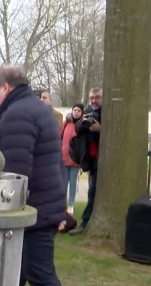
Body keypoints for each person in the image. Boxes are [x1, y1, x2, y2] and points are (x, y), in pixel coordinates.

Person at [0, 65, 82, 286]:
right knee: (14, 274)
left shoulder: (18, 114)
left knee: (41, 275)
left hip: (33, 213)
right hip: (39, 206)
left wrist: (5, 211)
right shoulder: (32, 108)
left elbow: (15, 172)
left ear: (6, 87)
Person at [68, 87, 102, 235]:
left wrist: (101, 129)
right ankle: (87, 221)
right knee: (92, 190)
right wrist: (83, 123)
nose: (94, 100)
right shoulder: (88, 111)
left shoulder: (108, 113)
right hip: (91, 158)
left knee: (94, 190)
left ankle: (85, 222)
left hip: (103, 158)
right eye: (92, 97)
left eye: (97, 97)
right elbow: (76, 128)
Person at [60, 104, 84, 214]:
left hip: (76, 159)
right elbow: (60, 137)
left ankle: (71, 205)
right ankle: (61, 204)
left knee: (73, 183)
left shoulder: (82, 124)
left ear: (82, 112)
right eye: (75, 110)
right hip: (64, 157)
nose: (76, 112)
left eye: (79, 110)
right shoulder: (66, 123)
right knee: (63, 182)